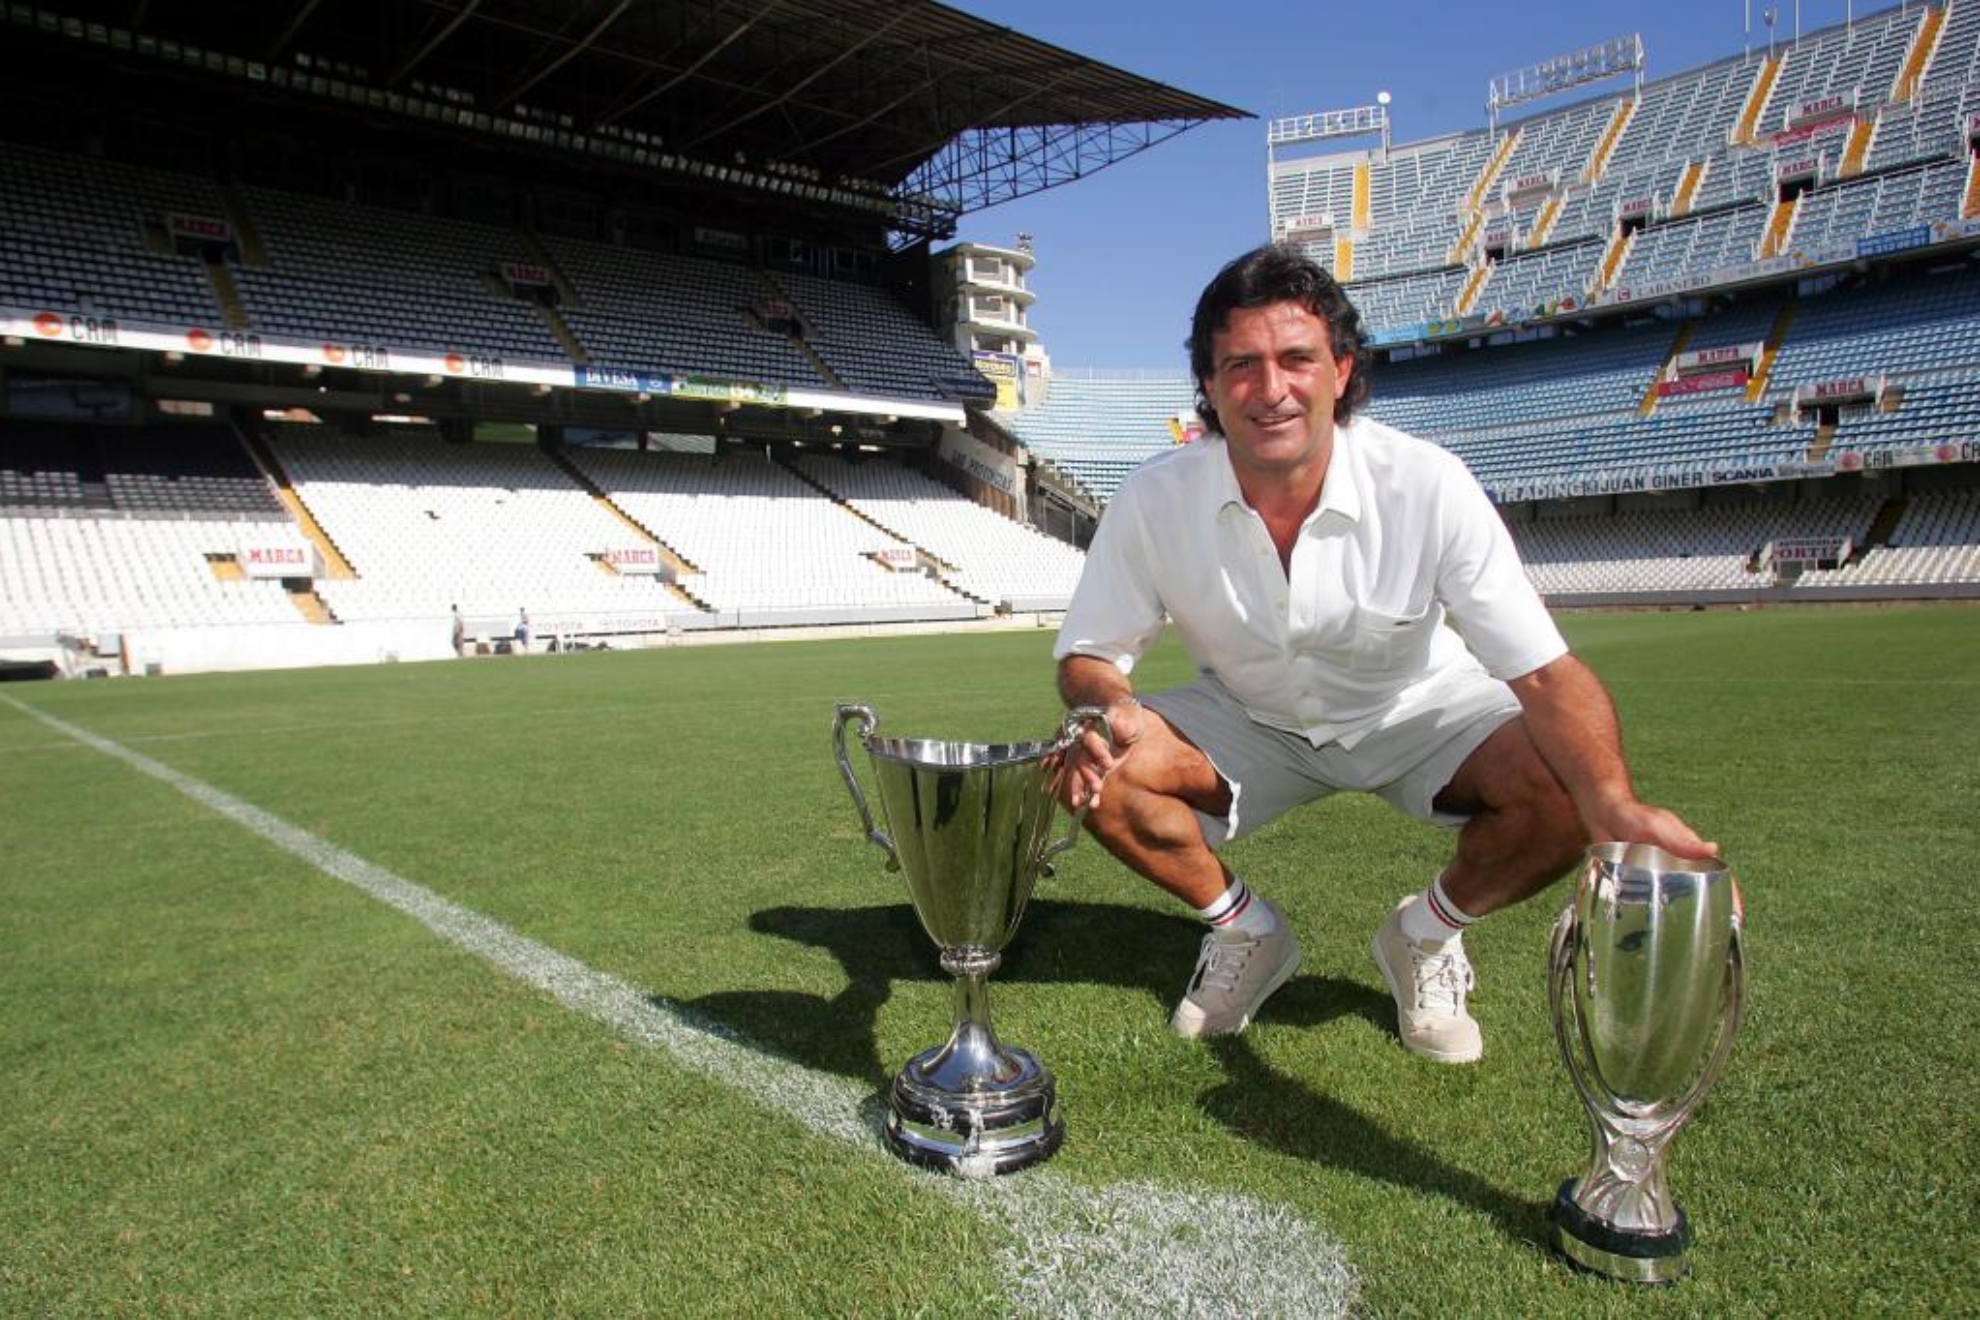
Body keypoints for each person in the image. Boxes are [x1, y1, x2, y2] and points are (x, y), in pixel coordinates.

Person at [1053, 243, 1715, 1062]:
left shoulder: (1426, 482)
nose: (1270, 390)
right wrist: (1106, 707)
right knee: (1089, 769)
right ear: (1212, 386)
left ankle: (1426, 935)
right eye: (1241, 366)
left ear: (1341, 370)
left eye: (1296, 359)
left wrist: (1612, 801)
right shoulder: (1155, 497)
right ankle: (1246, 932)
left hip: (1416, 708)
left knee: (1567, 784)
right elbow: (1088, 652)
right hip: (1250, 715)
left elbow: (1541, 672)